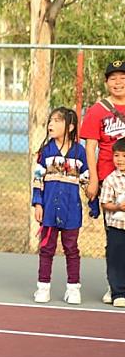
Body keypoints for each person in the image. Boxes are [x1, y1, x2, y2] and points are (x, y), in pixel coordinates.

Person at [79, 59, 125, 304]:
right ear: (106, 82)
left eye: (122, 78)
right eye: (113, 78)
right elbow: (91, 148)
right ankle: (115, 284)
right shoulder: (98, 110)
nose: (118, 82)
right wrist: (94, 179)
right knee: (115, 235)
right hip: (110, 180)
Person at [31, 107, 88, 304]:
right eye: (50, 120)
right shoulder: (45, 152)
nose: (50, 125)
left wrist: (94, 202)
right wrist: (38, 203)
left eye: (57, 121)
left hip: (71, 211)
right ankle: (43, 287)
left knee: (71, 249)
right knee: (46, 248)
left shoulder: (79, 152)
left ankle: (73, 289)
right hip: (48, 211)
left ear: (70, 126)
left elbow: (87, 180)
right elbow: (37, 179)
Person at [98, 137, 125, 308]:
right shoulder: (111, 179)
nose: (120, 159)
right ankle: (118, 292)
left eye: (124, 156)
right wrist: (118, 207)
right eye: (116, 155)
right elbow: (105, 203)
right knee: (115, 258)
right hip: (116, 226)